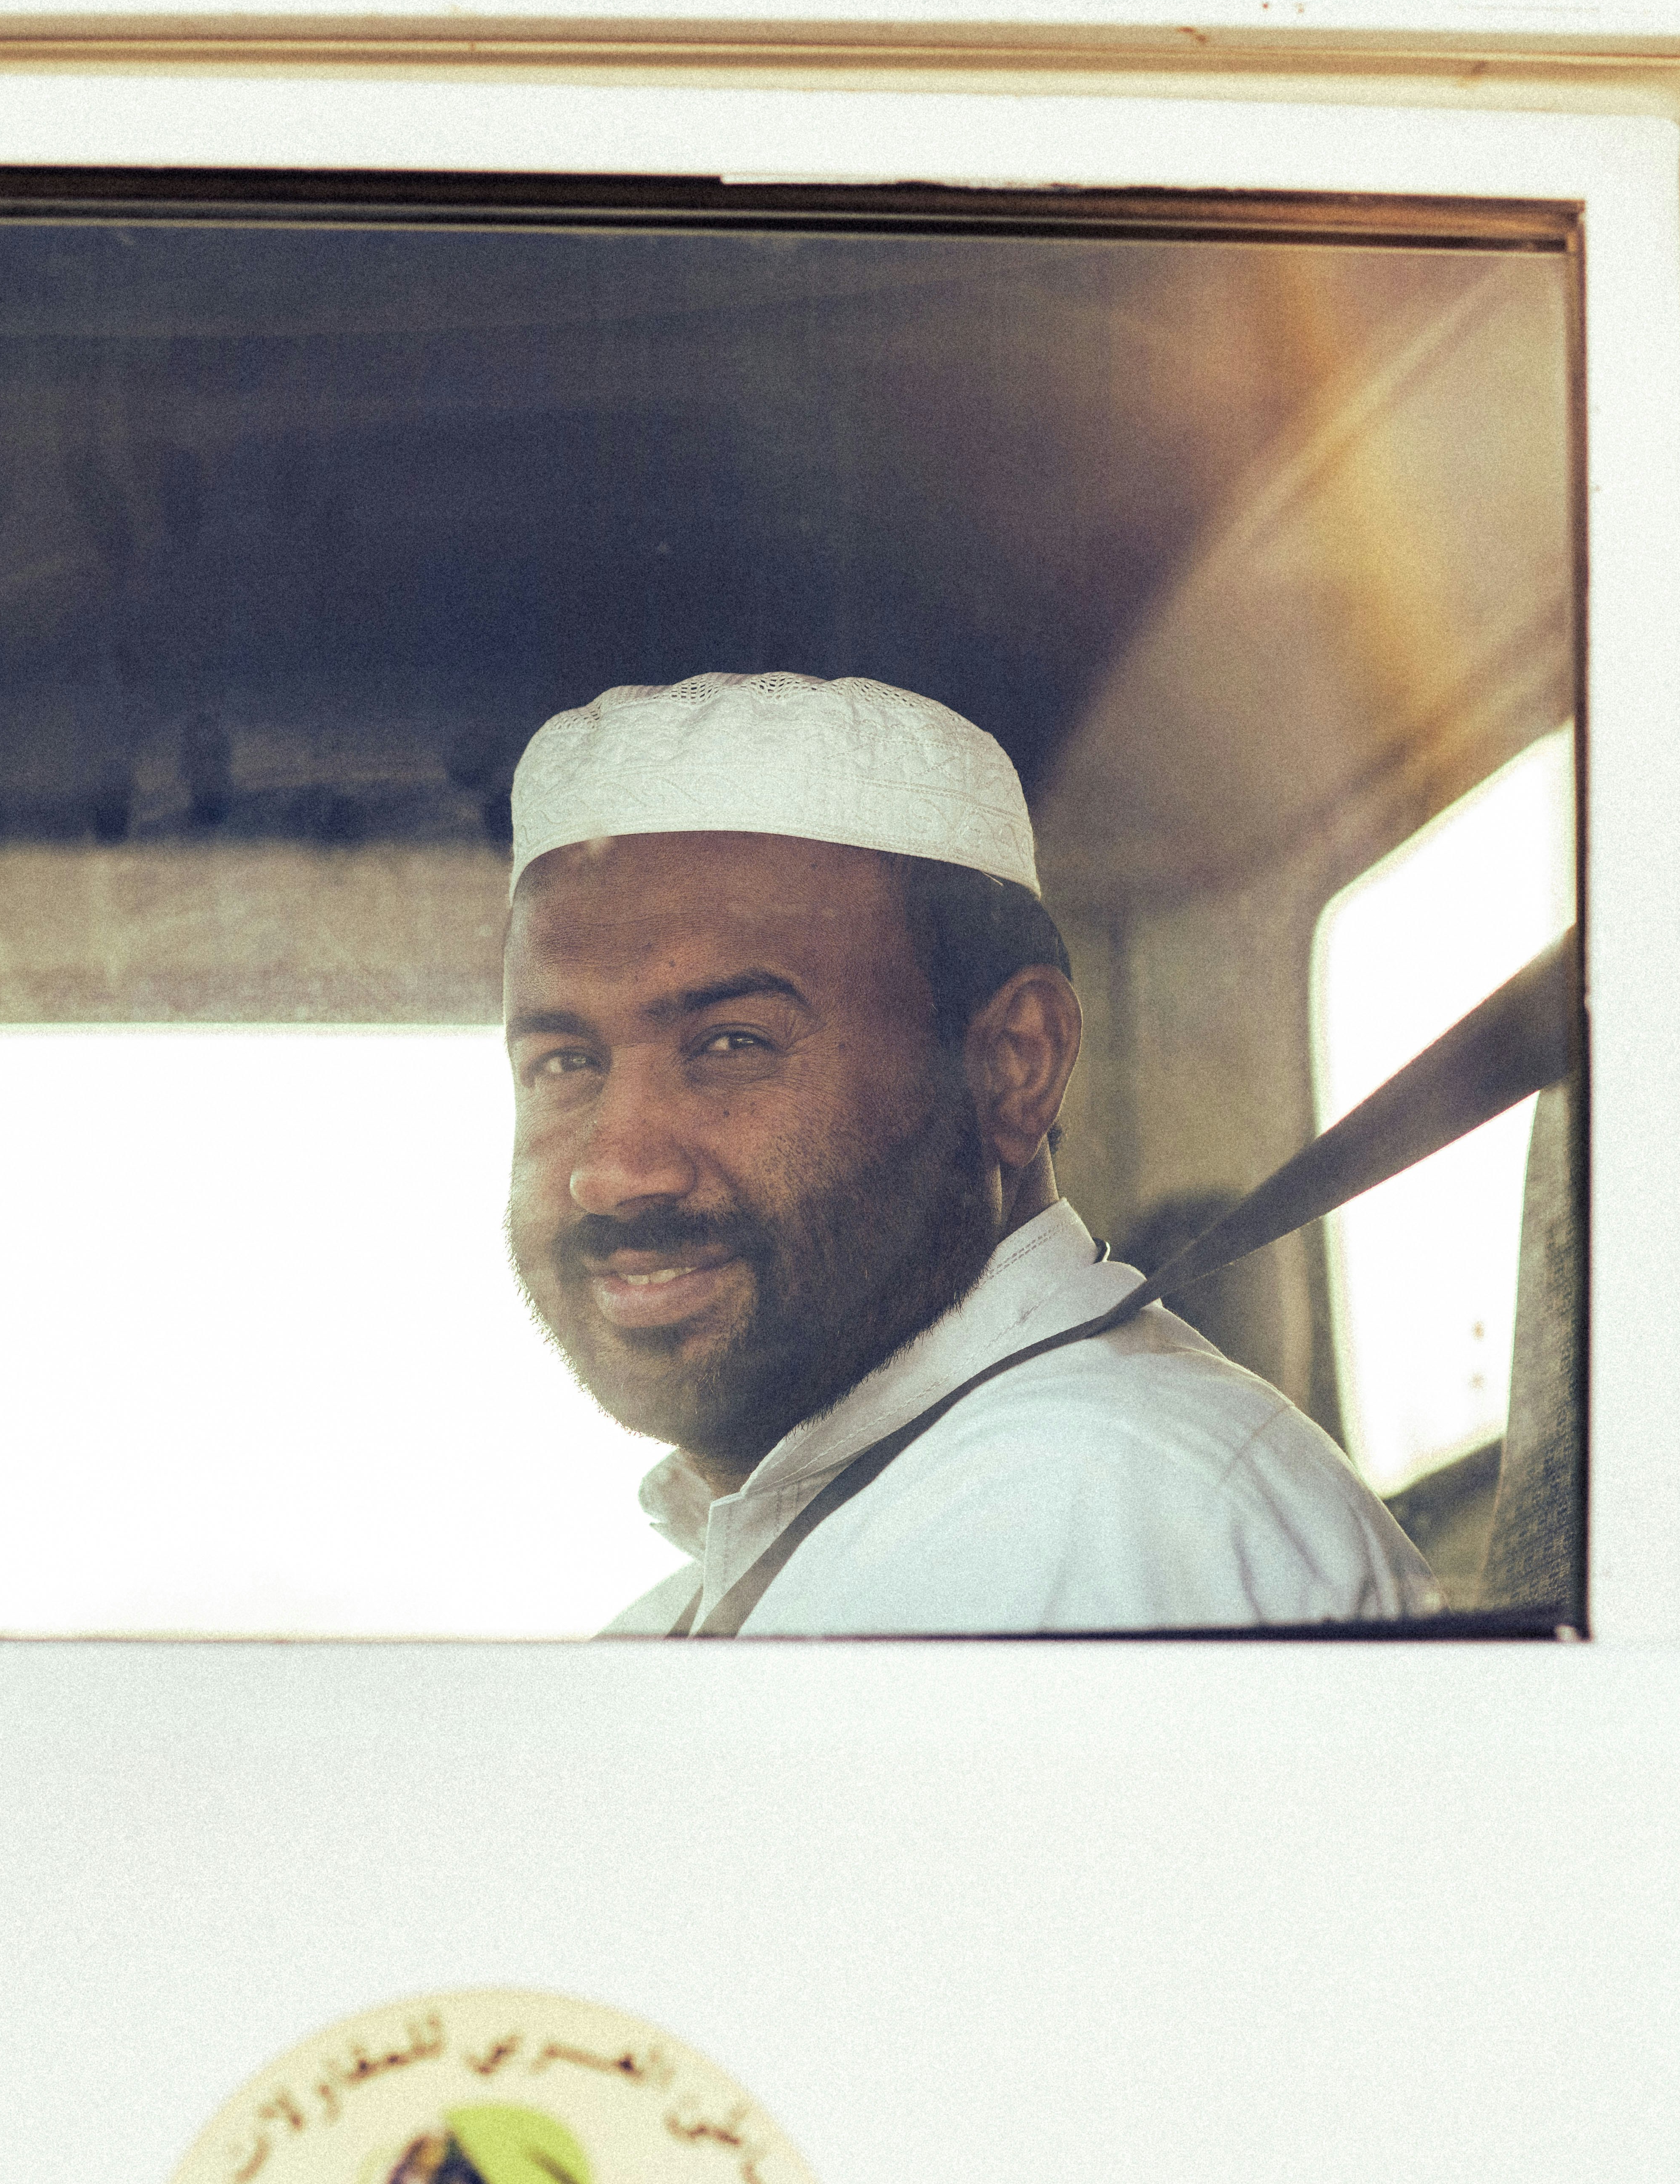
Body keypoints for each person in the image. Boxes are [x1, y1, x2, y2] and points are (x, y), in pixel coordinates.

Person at [500, 670, 1430, 1636]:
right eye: (565, 1062)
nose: (612, 1172)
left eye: (734, 1044)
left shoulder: (1081, 1514)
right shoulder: (804, 1562)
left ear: (1013, 1068)